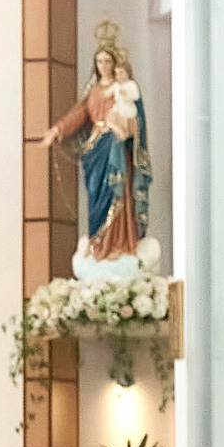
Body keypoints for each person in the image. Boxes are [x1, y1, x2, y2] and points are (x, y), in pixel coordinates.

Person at [43, 21, 155, 278]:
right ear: (95, 64)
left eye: (107, 61)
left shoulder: (124, 90)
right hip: (96, 153)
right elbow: (79, 114)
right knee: (97, 200)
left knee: (119, 195)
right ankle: (100, 245)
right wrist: (57, 130)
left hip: (116, 150)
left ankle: (121, 245)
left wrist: (125, 126)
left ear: (114, 64)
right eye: (99, 61)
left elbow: (135, 118)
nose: (103, 65)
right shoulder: (93, 92)